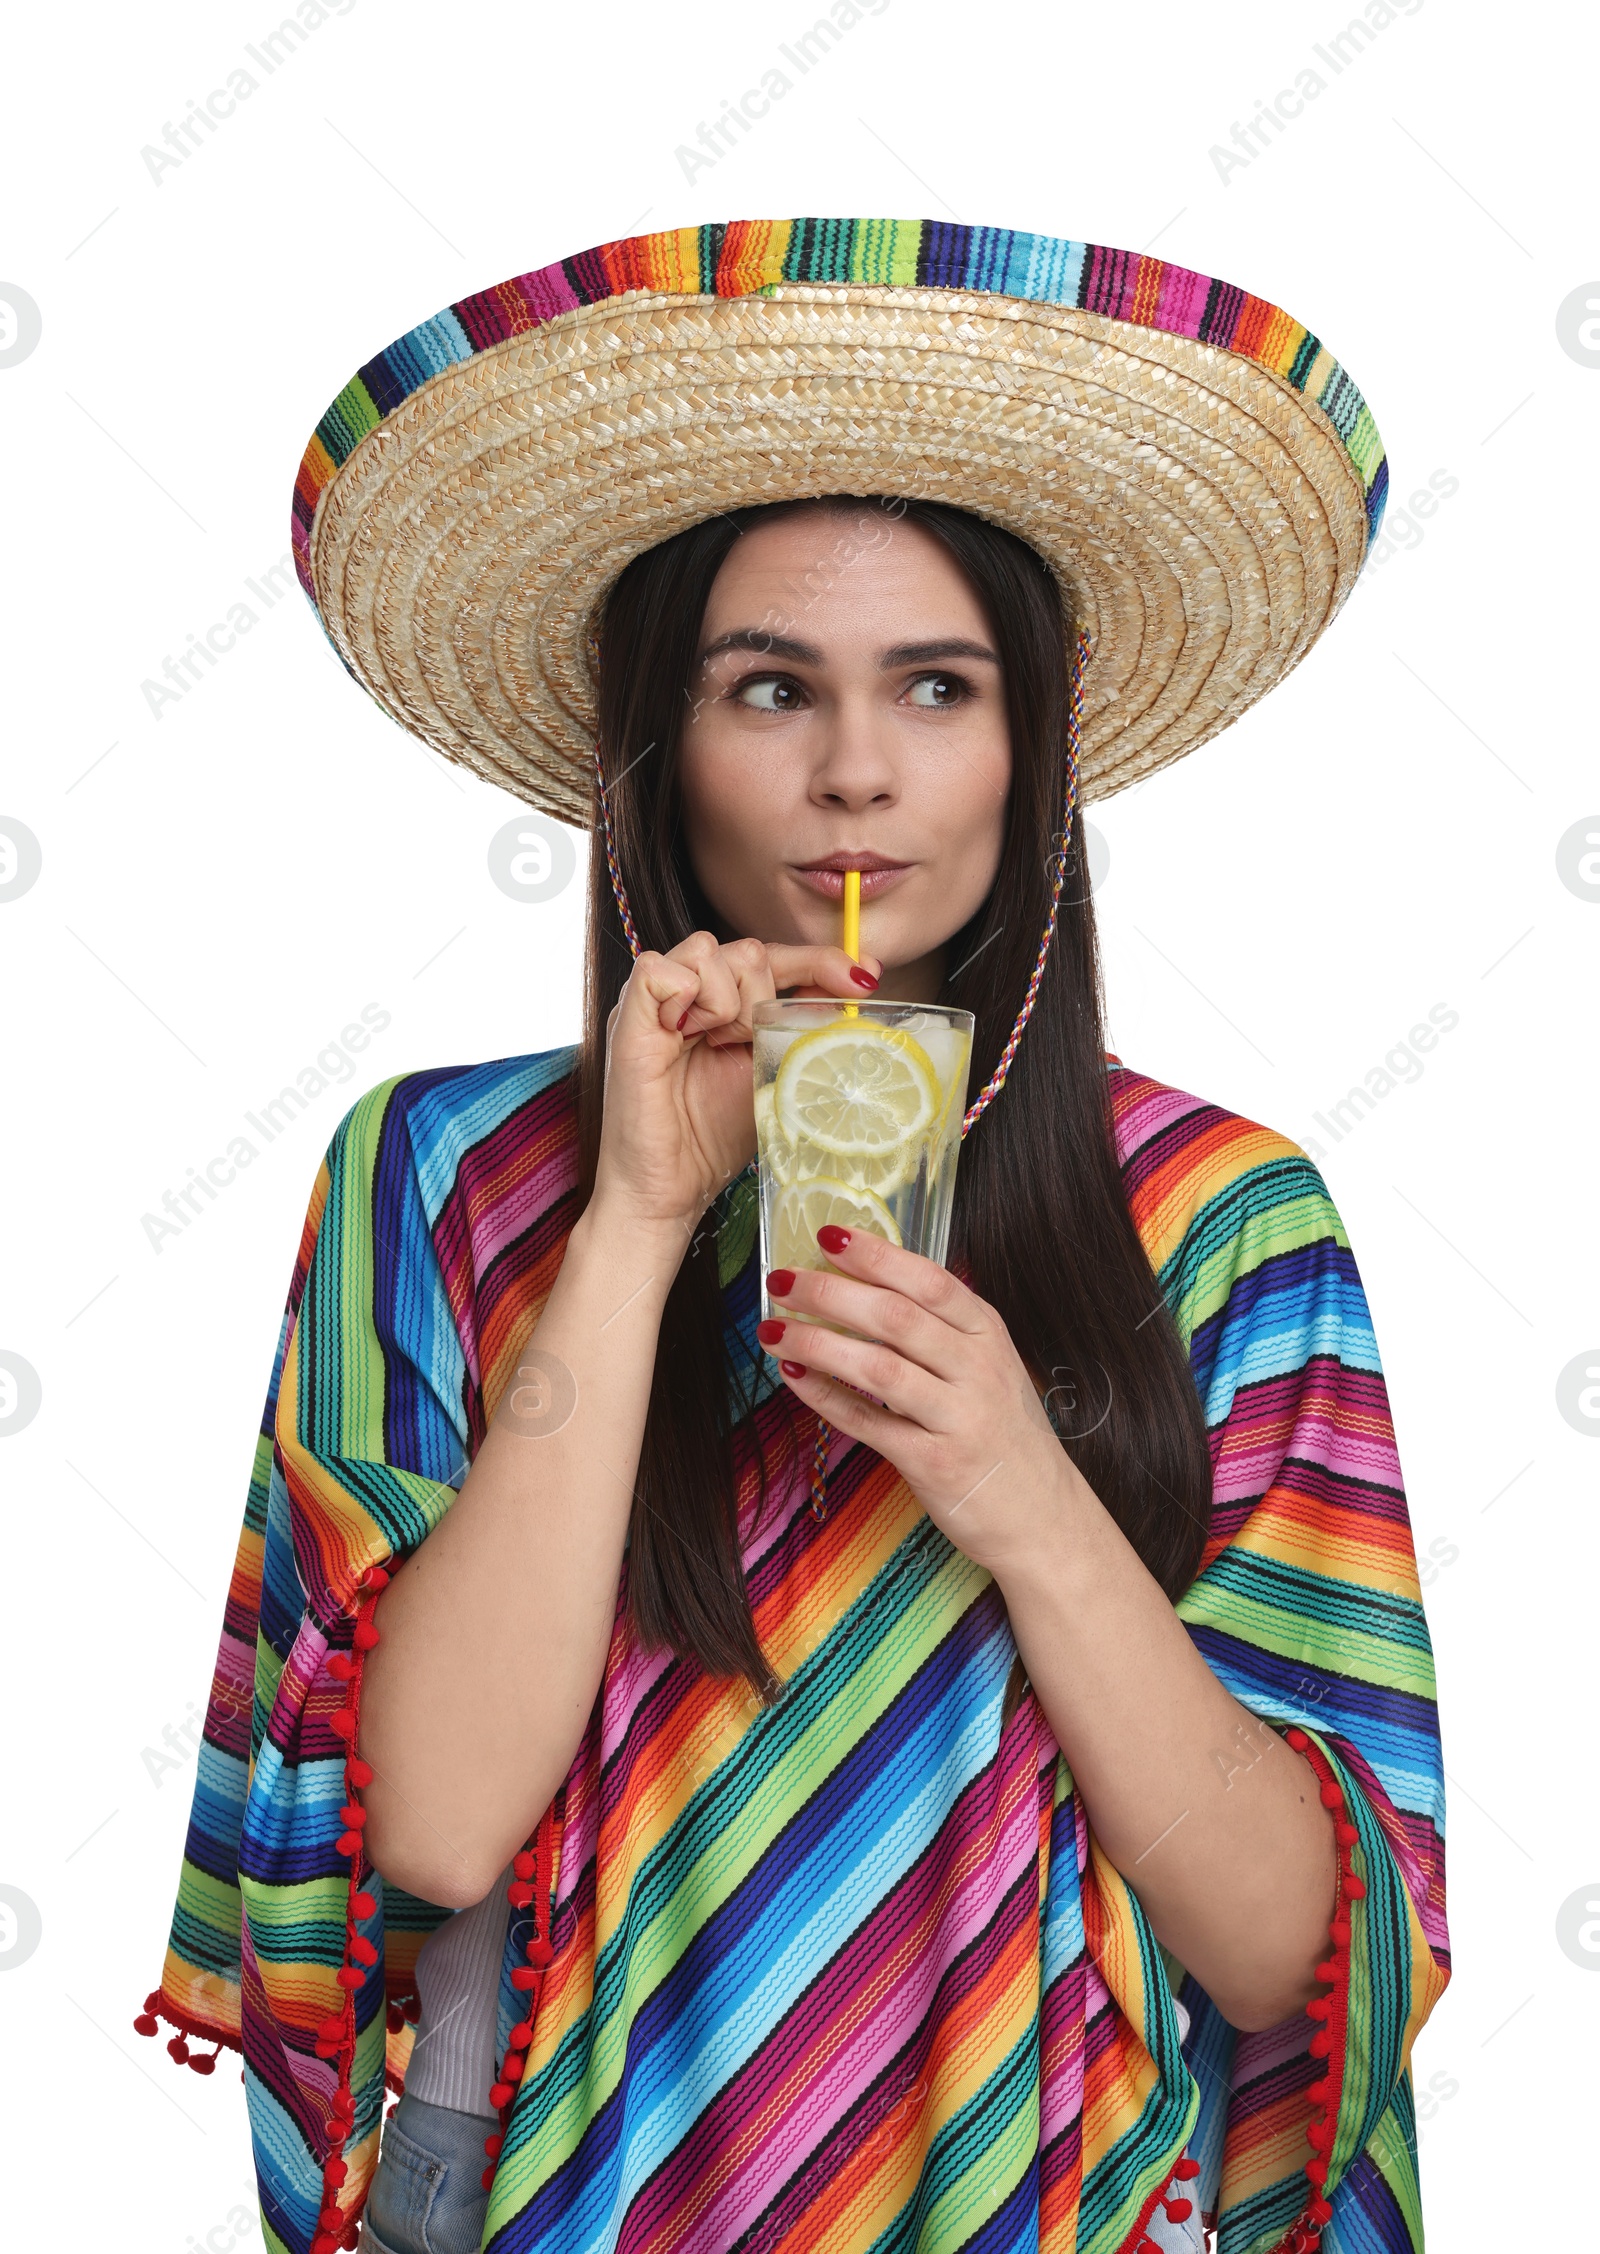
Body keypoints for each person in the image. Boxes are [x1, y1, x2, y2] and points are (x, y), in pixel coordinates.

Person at [139, 219, 1449, 2254]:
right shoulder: (440, 1171)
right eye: (772, 687)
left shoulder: (1213, 1217)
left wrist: (1016, 1482)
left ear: (1030, 745)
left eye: (936, 684)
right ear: (656, 752)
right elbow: (432, 1821)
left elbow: (1298, 1952)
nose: (855, 770)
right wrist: (642, 1218)